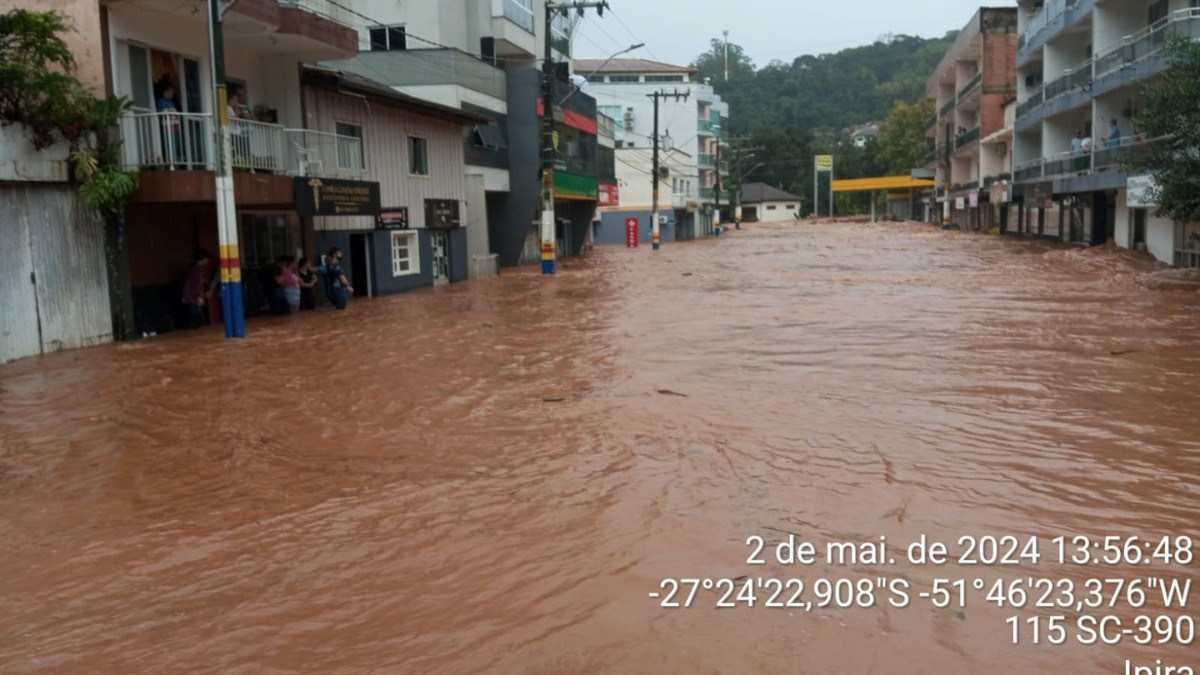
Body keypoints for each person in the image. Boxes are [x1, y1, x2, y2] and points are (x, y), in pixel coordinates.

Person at [182, 250, 213, 329]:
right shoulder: (197, 270)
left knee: (195, 319)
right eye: (206, 259)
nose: (207, 261)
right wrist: (199, 297)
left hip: (191, 297)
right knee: (198, 321)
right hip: (194, 298)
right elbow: (197, 285)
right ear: (202, 259)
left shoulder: (194, 269)